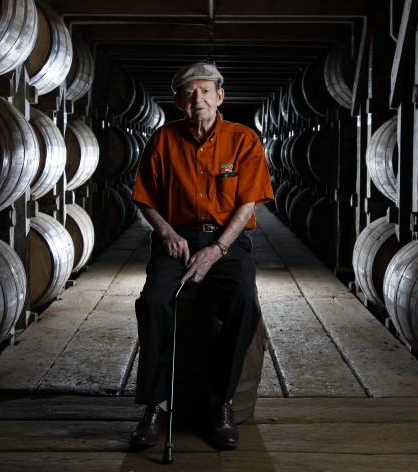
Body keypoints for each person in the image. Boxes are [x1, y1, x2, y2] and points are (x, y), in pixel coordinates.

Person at [129, 62, 274, 450]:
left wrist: (218, 248)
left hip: (226, 241)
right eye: (190, 94)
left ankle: (221, 402)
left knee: (244, 301)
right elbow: (145, 199)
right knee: (152, 302)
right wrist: (167, 233)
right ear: (179, 101)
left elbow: (248, 204)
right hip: (176, 238)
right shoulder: (162, 140)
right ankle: (155, 406)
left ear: (220, 96)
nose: (199, 100)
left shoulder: (243, 140)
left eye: (206, 91)